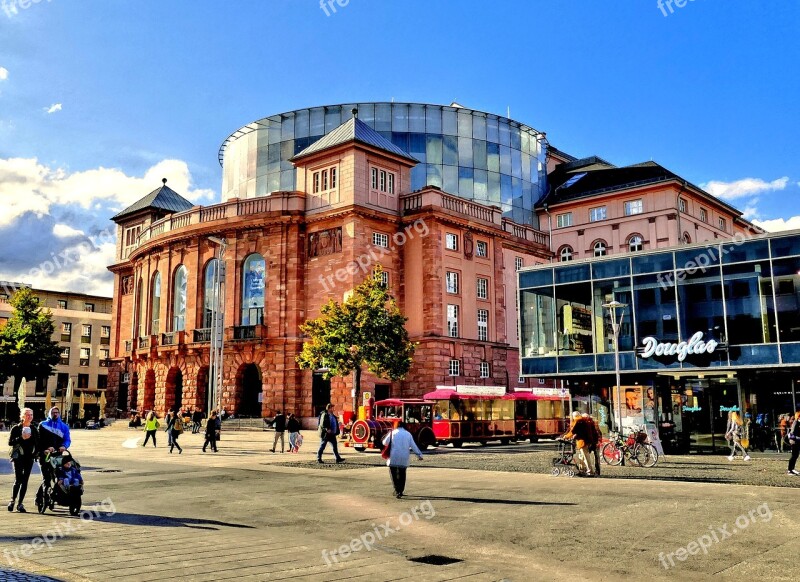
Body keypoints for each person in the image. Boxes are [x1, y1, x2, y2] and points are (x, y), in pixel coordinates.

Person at [7, 408, 39, 512]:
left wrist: (35, 454)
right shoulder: (16, 428)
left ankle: (20, 503)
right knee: (18, 480)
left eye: (31, 414)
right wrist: (21, 438)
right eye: (27, 415)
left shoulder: (34, 429)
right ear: (23, 416)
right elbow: (10, 442)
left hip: (29, 458)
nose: (30, 416)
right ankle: (12, 501)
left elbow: (38, 444)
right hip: (18, 457)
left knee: (25, 481)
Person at [381, 421, 423, 498]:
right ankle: (401, 490)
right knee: (402, 473)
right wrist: (419, 455)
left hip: (394, 456)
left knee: (393, 474)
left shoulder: (392, 433)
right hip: (404, 457)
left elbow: (384, 442)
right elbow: (413, 446)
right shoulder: (408, 434)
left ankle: (396, 489)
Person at [564, 411, 594, 476]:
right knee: (582, 456)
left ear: (574, 416)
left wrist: (566, 436)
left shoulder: (578, 421)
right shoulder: (583, 421)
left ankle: (590, 471)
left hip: (582, 441)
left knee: (586, 457)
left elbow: (573, 431)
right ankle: (582, 470)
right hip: (586, 441)